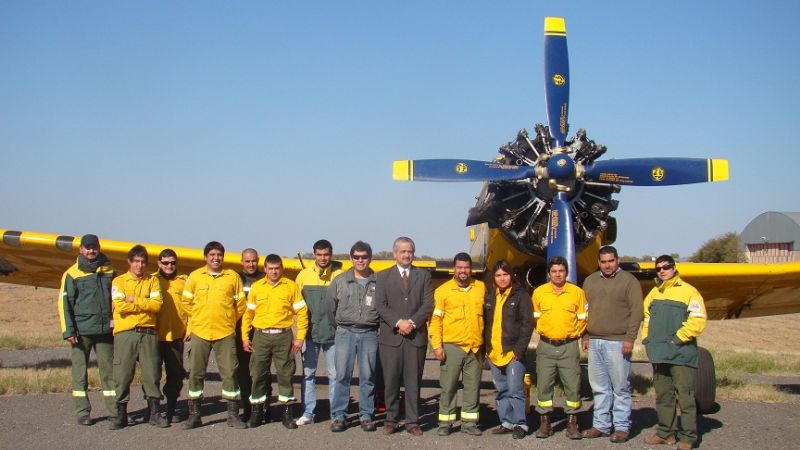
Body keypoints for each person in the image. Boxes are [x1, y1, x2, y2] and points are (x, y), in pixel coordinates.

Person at [642, 255, 707, 450]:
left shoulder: (689, 291)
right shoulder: (654, 293)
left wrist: (678, 338)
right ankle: (665, 433)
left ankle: (687, 437)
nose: (662, 271)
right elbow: (647, 319)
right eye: (658, 268)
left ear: (674, 267)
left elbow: (698, 319)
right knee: (663, 395)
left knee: (685, 396)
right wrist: (647, 340)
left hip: (680, 353)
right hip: (659, 353)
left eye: (666, 267)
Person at [181, 241, 247, 429]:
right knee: (196, 373)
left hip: (225, 332)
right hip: (200, 331)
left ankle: (233, 415)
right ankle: (194, 415)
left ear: (223, 257)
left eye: (219, 255)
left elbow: (240, 305)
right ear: (205, 257)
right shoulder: (195, 277)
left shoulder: (232, 277)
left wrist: (228, 319)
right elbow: (185, 302)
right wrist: (198, 317)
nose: (216, 258)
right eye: (212, 255)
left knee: (230, 373)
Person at [581, 245, 643, 443]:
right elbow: (585, 311)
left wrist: (629, 338)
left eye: (611, 261)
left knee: (620, 387)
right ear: (598, 263)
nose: (607, 265)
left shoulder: (629, 281)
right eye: (603, 262)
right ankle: (601, 424)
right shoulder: (589, 281)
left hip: (618, 342)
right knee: (599, 387)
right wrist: (585, 336)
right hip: (595, 340)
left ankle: (622, 426)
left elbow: (637, 312)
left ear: (617, 260)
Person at [375, 237, 433, 437]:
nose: (407, 255)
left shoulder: (423, 276)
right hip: (391, 337)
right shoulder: (382, 277)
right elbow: (380, 305)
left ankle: (412, 421)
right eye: (403, 251)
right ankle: (391, 419)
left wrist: (413, 323)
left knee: (413, 382)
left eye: (410, 251)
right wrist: (399, 323)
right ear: (394, 254)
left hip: (415, 337)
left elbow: (427, 304)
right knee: (390, 381)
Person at [242, 254, 308, 429]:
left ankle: (287, 414)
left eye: (277, 268)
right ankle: (257, 413)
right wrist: (244, 337)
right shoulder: (257, 287)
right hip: (261, 336)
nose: (274, 271)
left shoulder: (290, 287)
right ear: (265, 269)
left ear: (281, 269)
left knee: (286, 374)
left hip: (283, 336)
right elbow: (248, 315)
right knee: (258, 374)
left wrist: (300, 337)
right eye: (270, 268)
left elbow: (301, 313)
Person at [57, 233, 117, 426]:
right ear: (81, 249)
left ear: (99, 248)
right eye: (88, 247)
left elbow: (117, 299)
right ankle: (83, 412)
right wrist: (69, 331)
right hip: (81, 332)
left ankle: (115, 411)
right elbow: (65, 303)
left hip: (105, 330)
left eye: (94, 247)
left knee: (109, 372)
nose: (91, 251)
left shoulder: (109, 270)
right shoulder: (72, 273)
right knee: (80, 372)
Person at [109, 245, 168, 430]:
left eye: (143, 262)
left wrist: (133, 299)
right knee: (122, 374)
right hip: (126, 333)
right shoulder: (119, 281)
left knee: (152, 375)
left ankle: (155, 413)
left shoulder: (152, 281)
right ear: (129, 262)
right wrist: (144, 304)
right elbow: (120, 306)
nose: (140, 265)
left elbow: (157, 305)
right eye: (136, 261)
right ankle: (120, 415)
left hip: (149, 333)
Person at [430, 252, 486, 436]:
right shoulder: (442, 291)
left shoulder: (481, 287)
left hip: (475, 347)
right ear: (453, 269)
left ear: (471, 269)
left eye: (466, 267)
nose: (463, 271)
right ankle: (445, 421)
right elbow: (436, 320)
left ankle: (469, 423)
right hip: (453, 346)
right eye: (459, 267)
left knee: (472, 386)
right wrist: (437, 345)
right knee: (449, 385)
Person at [532, 256, 587, 439]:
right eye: (554, 271)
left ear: (566, 272)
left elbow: (583, 319)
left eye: (561, 271)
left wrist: (570, 335)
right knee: (544, 385)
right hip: (546, 345)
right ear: (548, 274)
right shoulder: (539, 293)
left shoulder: (577, 293)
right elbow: (535, 318)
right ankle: (545, 422)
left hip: (568, 345)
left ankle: (572, 422)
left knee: (572, 385)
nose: (557, 274)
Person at [327, 241, 379, 433]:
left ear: (370, 258)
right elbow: (330, 308)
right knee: (342, 376)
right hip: (345, 332)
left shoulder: (378, 281)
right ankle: (339, 416)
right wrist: (341, 326)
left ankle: (366, 415)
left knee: (368, 376)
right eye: (356, 257)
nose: (360, 260)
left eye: (364, 257)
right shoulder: (340, 281)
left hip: (369, 333)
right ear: (351, 258)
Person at [294, 239, 343, 425]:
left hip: (333, 334)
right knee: (308, 373)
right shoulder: (303, 276)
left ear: (331, 255)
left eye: (326, 254)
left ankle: (336, 413)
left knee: (335, 374)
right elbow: (297, 306)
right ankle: (308, 413)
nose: (323, 258)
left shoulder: (339, 275)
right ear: (314, 254)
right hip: (310, 333)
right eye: (319, 254)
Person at [484, 260, 534, 440]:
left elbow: (527, 325)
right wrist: (487, 348)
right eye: (498, 275)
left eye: (505, 274)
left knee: (515, 389)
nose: (502, 278)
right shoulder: (490, 296)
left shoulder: (521, 296)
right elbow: (486, 323)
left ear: (511, 276)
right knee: (502, 389)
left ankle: (521, 423)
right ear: (494, 278)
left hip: (512, 352)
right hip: (494, 352)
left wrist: (518, 351)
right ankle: (506, 422)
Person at [154, 248, 189, 424]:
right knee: (152, 374)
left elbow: (192, 306)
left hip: (176, 336)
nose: (169, 266)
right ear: (159, 263)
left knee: (175, 375)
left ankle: (171, 408)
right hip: (154, 336)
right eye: (166, 263)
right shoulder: (152, 281)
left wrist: (189, 328)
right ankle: (154, 411)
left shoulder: (184, 281)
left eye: (173, 263)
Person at [237, 248, 263, 422]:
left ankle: (263, 407)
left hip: (260, 331)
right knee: (243, 371)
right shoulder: (236, 278)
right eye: (247, 261)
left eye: (253, 261)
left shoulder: (265, 277)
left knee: (262, 371)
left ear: (258, 260)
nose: (251, 264)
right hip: (240, 331)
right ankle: (246, 407)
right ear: (242, 262)